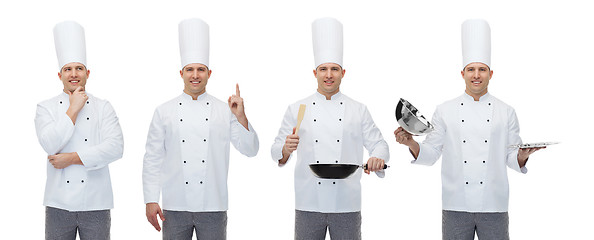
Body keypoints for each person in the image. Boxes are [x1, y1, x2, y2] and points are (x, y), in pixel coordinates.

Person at [394, 19, 545, 240]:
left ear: (490, 74)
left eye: (482, 70)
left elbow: (511, 157)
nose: (476, 75)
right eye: (471, 69)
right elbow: (432, 153)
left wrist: (521, 156)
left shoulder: (506, 111)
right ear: (462, 73)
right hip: (456, 203)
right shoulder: (445, 110)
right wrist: (411, 143)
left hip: (494, 204)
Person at [271, 17, 389, 240]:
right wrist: (286, 149)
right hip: (308, 201)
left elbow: (380, 144)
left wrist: (377, 158)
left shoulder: (358, 109)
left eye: (334, 69)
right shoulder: (297, 108)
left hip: (347, 202)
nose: (328, 75)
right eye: (323, 69)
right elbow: (275, 149)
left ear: (343, 73)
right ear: (314, 72)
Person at [143, 18, 259, 240]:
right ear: (181, 73)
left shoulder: (225, 110)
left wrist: (241, 116)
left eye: (200, 70)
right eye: (190, 70)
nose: (195, 75)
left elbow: (250, 150)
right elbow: (152, 158)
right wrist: (150, 199)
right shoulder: (163, 111)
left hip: (213, 205)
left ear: (209, 73)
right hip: (175, 205)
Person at [35, 21, 124, 240]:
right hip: (58, 203)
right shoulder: (45, 107)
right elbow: (49, 144)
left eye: (79, 68)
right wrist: (73, 109)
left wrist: (72, 158)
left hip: (96, 202)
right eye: (68, 69)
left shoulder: (103, 106)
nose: (73, 74)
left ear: (88, 72)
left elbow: (116, 147)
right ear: (60, 75)